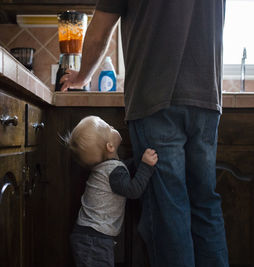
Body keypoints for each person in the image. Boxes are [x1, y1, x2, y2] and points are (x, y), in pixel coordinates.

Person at [60, 0, 229, 266]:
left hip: (155, 97)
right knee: (205, 204)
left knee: (169, 209)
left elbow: (100, 29)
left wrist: (81, 77)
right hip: (206, 97)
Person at [64, 115, 158, 267]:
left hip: (88, 235)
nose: (113, 127)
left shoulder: (107, 168)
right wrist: (146, 166)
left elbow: (123, 169)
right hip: (95, 239)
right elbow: (133, 190)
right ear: (110, 146)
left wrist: (139, 162)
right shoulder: (114, 172)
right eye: (109, 128)